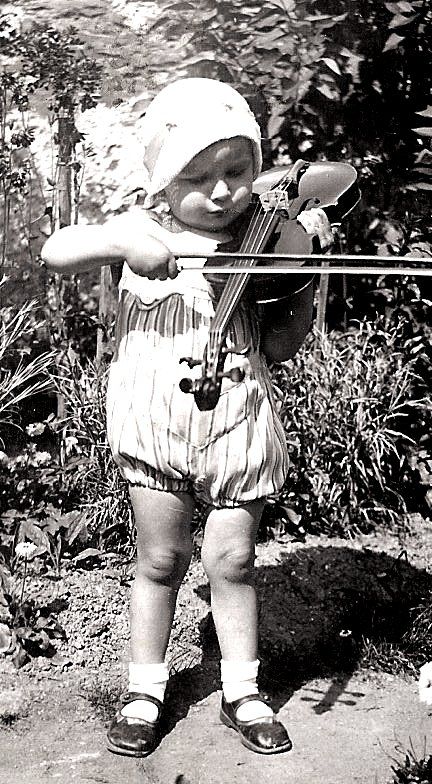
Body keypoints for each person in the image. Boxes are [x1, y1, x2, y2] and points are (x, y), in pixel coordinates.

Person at [42, 77, 332, 758]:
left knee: (233, 560)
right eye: (198, 178)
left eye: (237, 171)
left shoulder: (266, 245)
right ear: (164, 181)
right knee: (161, 559)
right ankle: (144, 690)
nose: (223, 192)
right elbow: (57, 252)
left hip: (236, 422)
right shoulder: (143, 229)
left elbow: (280, 349)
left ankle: (243, 691)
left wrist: (304, 279)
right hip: (157, 424)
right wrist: (123, 242)